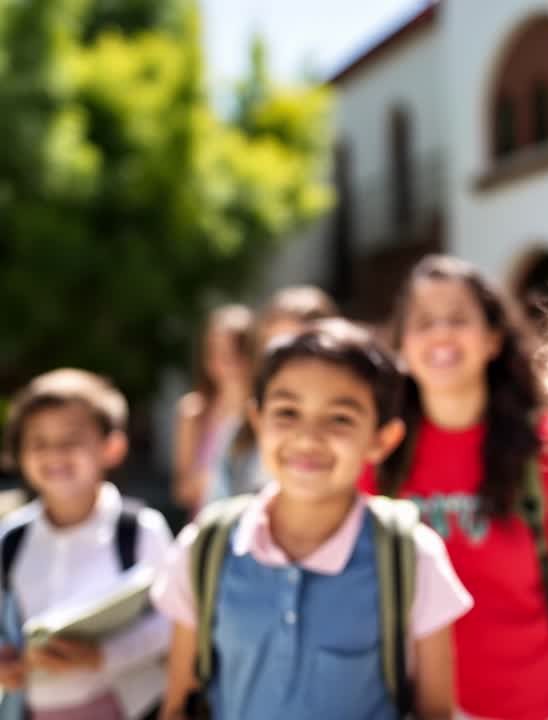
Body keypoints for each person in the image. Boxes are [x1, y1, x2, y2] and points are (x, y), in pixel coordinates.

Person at [151, 318, 472, 719]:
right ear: (257, 421)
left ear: (382, 439)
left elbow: (436, 711)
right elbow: (181, 701)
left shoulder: (411, 555)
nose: (307, 438)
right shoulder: (207, 546)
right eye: (287, 412)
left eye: (340, 418)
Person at [360, 255, 548, 720]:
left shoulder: (547, 446)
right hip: (416, 705)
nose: (441, 334)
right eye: (424, 322)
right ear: (402, 346)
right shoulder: (378, 453)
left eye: (458, 318)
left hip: (538, 707)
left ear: (493, 339)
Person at [0, 369, 173, 719]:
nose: (55, 455)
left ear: (112, 447)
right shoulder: (11, 537)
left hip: (127, 708)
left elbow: (173, 623)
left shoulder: (140, 529)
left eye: (71, 440)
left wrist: (102, 655)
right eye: (39, 442)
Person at [211, 286, 338, 502]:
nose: (291, 364)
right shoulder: (240, 437)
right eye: (278, 350)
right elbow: (216, 509)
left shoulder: (352, 434)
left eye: (306, 349)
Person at [172, 305, 254, 513]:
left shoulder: (264, 412)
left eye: (236, 351)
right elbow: (183, 492)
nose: (226, 362)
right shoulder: (194, 412)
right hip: (209, 528)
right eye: (217, 352)